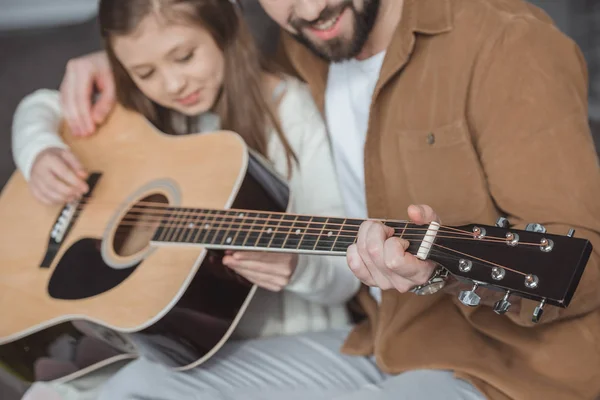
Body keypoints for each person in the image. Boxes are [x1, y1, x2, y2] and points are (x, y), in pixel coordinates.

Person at [45, 0, 600, 399]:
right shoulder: (306, 42)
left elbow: (586, 263)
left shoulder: (507, 42)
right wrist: (113, 68)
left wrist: (444, 273)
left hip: (498, 367)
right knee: (140, 384)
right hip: (377, 340)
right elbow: (192, 40)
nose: (306, 8)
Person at [11, 0, 362, 399]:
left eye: (184, 57)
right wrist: (39, 151)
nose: (173, 84)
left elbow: (343, 278)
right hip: (167, 348)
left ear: (224, 28)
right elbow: (40, 107)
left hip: (283, 343)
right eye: (145, 72)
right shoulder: (139, 110)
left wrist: (296, 267)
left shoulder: (291, 113)